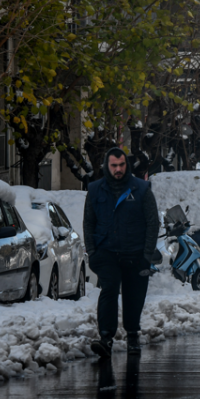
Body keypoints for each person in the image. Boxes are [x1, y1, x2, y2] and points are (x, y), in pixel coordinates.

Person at [84, 148, 161, 357]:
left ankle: (133, 334)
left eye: (121, 165)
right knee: (109, 290)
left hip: (135, 252)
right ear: (106, 167)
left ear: (126, 165)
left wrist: (147, 254)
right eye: (114, 166)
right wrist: (92, 252)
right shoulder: (95, 190)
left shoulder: (141, 189)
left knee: (134, 293)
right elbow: (88, 223)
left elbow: (153, 223)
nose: (118, 169)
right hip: (106, 252)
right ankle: (106, 338)